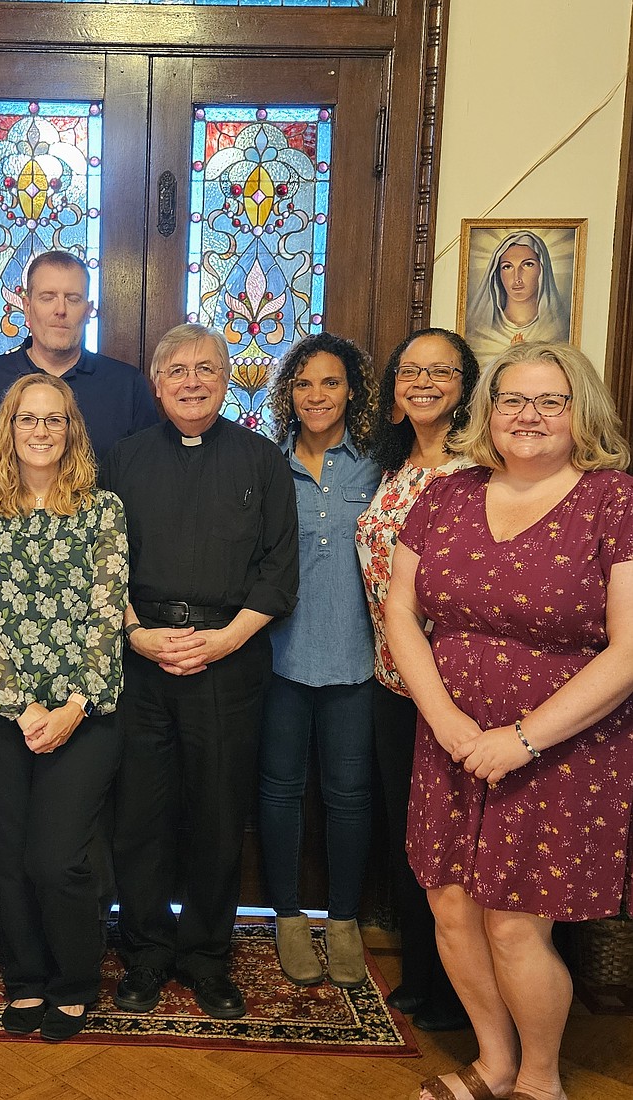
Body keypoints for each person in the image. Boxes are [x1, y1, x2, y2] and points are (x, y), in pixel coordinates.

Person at [385, 342, 633, 1100]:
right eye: (511, 400)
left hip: (563, 747)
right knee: (452, 910)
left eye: (550, 401)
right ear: (487, 414)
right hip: (451, 739)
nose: (528, 416)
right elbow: (400, 615)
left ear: (579, 412)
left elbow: (629, 649)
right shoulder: (446, 495)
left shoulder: (614, 499)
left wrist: (522, 739)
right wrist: (449, 722)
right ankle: (492, 1064)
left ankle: (539, 1080)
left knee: (515, 924)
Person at [101, 323, 299, 1020]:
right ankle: (147, 952)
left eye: (206, 369)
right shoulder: (120, 460)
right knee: (142, 816)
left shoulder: (262, 461)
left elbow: (279, 572)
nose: (192, 380)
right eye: (178, 370)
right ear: (157, 384)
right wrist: (137, 633)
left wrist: (221, 642)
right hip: (141, 657)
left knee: (218, 813)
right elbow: (100, 562)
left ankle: (207, 957)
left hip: (231, 660)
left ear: (227, 380)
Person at [0, 374, 128, 1042]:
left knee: (58, 858)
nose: (41, 430)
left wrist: (72, 707)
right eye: (29, 419)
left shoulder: (103, 510)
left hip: (85, 712)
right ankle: (26, 980)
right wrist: (24, 708)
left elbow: (106, 616)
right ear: (10, 427)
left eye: (55, 419)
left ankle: (75, 982)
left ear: (72, 430)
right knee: (13, 853)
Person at [354, 328, 479, 1034]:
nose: (423, 381)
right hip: (392, 680)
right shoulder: (393, 465)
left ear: (466, 383)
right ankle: (424, 974)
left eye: (441, 370)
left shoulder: (480, 467)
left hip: (462, 690)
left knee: (461, 840)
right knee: (411, 833)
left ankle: (463, 995)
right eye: (410, 370)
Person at [259, 333, 380, 989]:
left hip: (358, 662)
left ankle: (343, 920)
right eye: (303, 384)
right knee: (279, 793)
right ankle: (285, 916)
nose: (315, 395)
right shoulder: (267, 464)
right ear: (288, 394)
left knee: (350, 797)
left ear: (351, 390)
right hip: (279, 659)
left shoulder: (378, 467)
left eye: (329, 382)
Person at [0, 249, 157, 520]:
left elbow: (146, 487)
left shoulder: (126, 385)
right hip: (2, 555)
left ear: (88, 310)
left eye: (72, 299)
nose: (60, 310)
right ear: (27, 307)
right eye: (48, 297)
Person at [465, 231, 569, 365]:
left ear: (542, 269)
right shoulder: (480, 330)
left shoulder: (558, 329)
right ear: (497, 273)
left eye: (528, 264)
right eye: (507, 267)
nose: (517, 278)